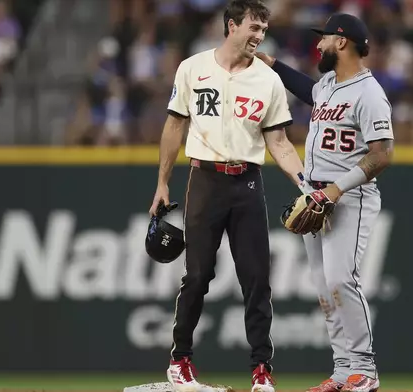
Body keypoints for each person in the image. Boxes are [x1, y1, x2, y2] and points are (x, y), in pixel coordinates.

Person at [148, 1, 305, 391]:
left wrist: (306, 183)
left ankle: (261, 371)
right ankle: (179, 361)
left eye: (263, 29)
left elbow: (280, 142)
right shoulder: (193, 68)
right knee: (198, 275)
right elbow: (173, 128)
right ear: (231, 25)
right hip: (204, 181)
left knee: (257, 279)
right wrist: (162, 183)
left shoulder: (267, 80)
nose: (259, 36)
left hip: (247, 182)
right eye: (253, 27)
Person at [255, 13, 394, 392]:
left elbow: (382, 155)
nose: (318, 44)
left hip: (349, 199)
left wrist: (336, 190)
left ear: (343, 42)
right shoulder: (329, 85)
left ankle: (364, 370)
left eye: (325, 38)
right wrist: (273, 65)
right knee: (323, 287)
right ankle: (343, 370)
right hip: (314, 198)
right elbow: (308, 89)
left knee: (340, 279)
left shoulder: (369, 93)